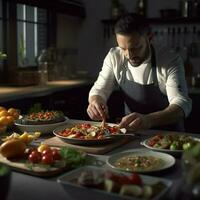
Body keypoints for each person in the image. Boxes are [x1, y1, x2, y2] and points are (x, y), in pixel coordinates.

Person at [87, 13, 192, 132]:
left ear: (150, 38)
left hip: (168, 136)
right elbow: (99, 89)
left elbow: (182, 105)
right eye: (123, 48)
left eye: (135, 48)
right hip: (131, 134)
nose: (129, 55)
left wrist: (149, 120)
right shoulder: (114, 56)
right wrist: (95, 101)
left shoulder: (169, 59)